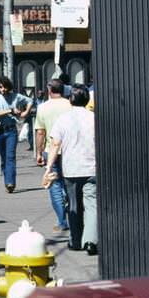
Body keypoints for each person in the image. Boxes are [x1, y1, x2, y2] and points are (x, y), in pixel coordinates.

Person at [45, 85, 98, 255]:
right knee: (91, 204)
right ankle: (90, 240)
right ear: (87, 101)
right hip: (92, 167)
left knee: (73, 205)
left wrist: (49, 167)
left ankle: (76, 240)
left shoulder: (63, 119)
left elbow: (55, 144)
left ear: (70, 100)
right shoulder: (94, 118)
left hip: (71, 168)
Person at [34, 78, 72, 234]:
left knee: (54, 186)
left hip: (51, 152)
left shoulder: (43, 108)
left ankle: (62, 221)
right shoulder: (70, 105)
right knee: (70, 184)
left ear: (49, 90)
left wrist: (38, 152)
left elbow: (40, 132)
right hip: (70, 150)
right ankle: (72, 213)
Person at [0, 77, 31, 192]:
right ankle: (7, 175)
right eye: (0, 87)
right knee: (4, 158)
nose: (3, 89)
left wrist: (25, 112)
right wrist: (11, 111)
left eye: (5, 87)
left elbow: (30, 101)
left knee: (10, 157)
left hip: (11, 130)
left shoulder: (15, 96)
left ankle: (10, 183)